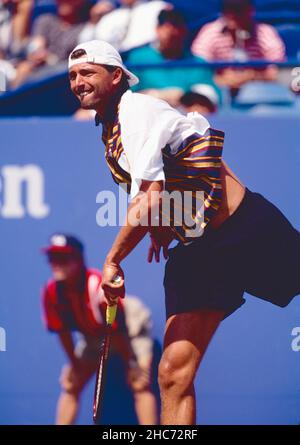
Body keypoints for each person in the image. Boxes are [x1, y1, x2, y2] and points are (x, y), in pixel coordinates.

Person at [68, 40, 300, 425]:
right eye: (73, 76)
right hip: (197, 252)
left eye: (87, 72)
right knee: (173, 373)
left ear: (116, 76)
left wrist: (113, 261)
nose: (78, 82)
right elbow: (170, 183)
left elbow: (147, 198)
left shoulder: (136, 109)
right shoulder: (110, 129)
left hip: (244, 230)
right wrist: (163, 224)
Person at [41, 233, 158, 425]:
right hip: (95, 336)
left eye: (63, 258)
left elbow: (118, 330)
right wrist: (75, 365)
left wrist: (131, 363)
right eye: (53, 258)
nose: (56, 263)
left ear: (78, 260)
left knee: (139, 383)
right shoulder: (51, 292)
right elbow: (63, 333)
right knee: (72, 383)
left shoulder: (97, 287)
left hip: (130, 331)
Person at [124, 8, 219, 108]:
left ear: (184, 31)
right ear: (157, 29)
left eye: (177, 27)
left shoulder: (198, 64)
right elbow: (127, 97)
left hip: (187, 118)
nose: (173, 32)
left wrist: (185, 98)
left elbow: (210, 99)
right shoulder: (138, 59)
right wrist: (157, 96)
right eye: (167, 27)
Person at [191, 0, 286, 94]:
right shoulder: (210, 32)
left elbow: (278, 71)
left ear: (250, 10)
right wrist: (220, 79)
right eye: (228, 9)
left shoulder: (266, 33)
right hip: (219, 91)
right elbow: (198, 68)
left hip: (259, 92)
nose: (232, 14)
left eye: (239, 9)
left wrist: (251, 76)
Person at [78, 0, 169, 53]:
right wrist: (93, 22)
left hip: (144, 61)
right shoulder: (111, 15)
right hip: (114, 64)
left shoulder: (159, 7)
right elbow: (85, 46)